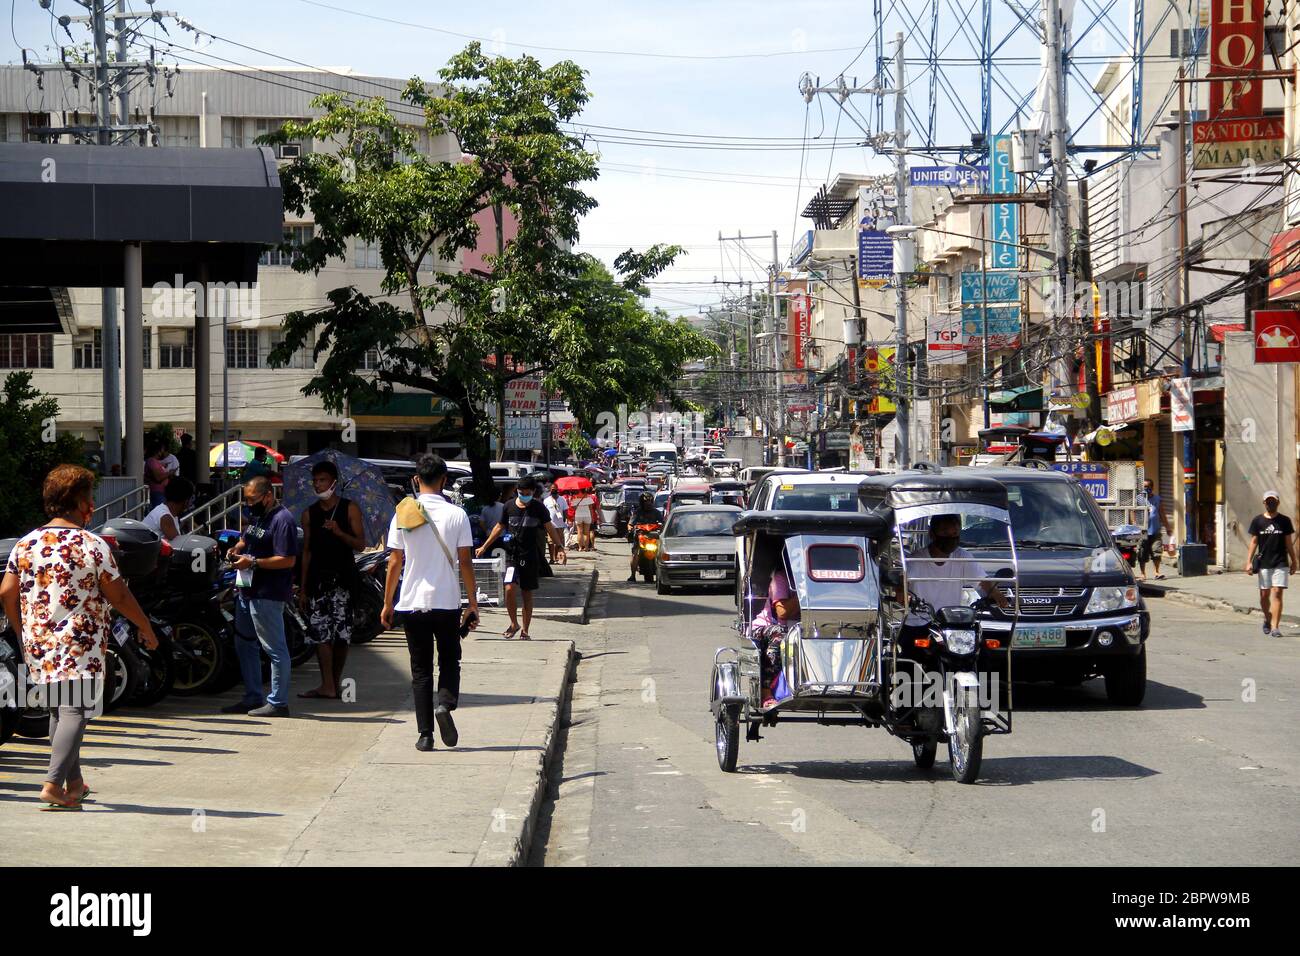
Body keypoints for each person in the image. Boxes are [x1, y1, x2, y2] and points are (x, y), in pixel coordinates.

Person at [0, 464, 159, 810]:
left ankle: (74, 784)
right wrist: (145, 627)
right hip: (79, 642)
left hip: (39, 642)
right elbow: (119, 596)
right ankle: (52, 784)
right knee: (75, 709)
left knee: (60, 709)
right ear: (77, 501)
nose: (92, 506)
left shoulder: (25, 544)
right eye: (89, 498)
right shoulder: (92, 545)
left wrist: (22, 629)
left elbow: (7, 591)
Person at [381, 454, 479, 751]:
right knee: (449, 659)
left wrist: (387, 604)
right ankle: (444, 706)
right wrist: (472, 603)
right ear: (444, 481)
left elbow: (395, 562)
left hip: (412, 602)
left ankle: (425, 735)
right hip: (446, 601)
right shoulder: (457, 515)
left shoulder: (403, 513)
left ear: (415, 480)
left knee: (420, 671)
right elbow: (465, 563)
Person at [222, 475, 299, 717]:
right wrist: (238, 548)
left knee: (274, 648)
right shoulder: (259, 515)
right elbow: (249, 536)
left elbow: (287, 559)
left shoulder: (282, 520)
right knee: (245, 643)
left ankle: (278, 702)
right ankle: (253, 696)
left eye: (253, 499)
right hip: (247, 590)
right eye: (247, 499)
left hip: (267, 593)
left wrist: (252, 562)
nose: (249, 503)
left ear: (268, 496)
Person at [299, 460, 367, 700]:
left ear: (334, 483)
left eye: (323, 480)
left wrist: (339, 532)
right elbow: (306, 551)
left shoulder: (350, 509)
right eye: (315, 481)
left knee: (342, 635)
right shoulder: (309, 514)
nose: (318, 485)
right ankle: (326, 684)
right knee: (320, 634)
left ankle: (334, 683)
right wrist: (303, 587)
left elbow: (361, 544)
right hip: (318, 580)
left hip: (344, 580)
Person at [477, 474, 564, 640]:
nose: (523, 495)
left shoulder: (539, 508)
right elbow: (498, 527)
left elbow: (550, 528)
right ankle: (513, 623)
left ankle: (525, 630)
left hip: (530, 555)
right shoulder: (508, 506)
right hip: (511, 554)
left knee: (526, 593)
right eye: (520, 491)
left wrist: (559, 547)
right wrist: (484, 546)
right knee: (509, 587)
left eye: (527, 492)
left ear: (532, 492)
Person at [899, 514, 1010, 632]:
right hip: (918, 623)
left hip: (950, 623)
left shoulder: (961, 556)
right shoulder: (916, 560)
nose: (950, 539)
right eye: (945, 534)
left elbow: (983, 581)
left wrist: (996, 593)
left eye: (954, 534)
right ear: (932, 534)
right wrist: (904, 595)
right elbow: (902, 584)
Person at [1246, 490, 1297, 639]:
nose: (1270, 503)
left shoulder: (1285, 521)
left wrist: (1294, 561)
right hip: (1264, 563)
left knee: (1278, 592)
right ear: (1264, 503)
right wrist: (1248, 562)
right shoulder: (1258, 521)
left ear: (1278, 503)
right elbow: (1254, 542)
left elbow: (1288, 543)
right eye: (1268, 501)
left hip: (1280, 561)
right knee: (1264, 595)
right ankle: (1267, 618)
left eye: (1273, 501)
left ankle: (1275, 627)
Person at [750, 567, 800, 708]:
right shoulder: (781, 578)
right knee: (780, 634)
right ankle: (766, 692)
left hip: (797, 628)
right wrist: (806, 594)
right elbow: (782, 612)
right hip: (767, 627)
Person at [1137, 479, 1171, 581]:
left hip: (1155, 530)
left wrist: (1168, 527)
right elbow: (1132, 512)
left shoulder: (1157, 499)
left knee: (1156, 551)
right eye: (1144, 487)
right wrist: (1135, 525)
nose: (1146, 489)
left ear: (1152, 487)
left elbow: (1162, 513)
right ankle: (1143, 574)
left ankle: (1157, 572)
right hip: (1143, 531)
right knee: (1142, 552)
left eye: (1148, 486)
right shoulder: (1138, 499)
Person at [624, 490, 663, 583]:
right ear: (642, 503)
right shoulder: (637, 512)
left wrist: (662, 528)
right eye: (646, 502)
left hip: (653, 536)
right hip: (640, 536)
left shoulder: (656, 512)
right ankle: (632, 575)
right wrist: (630, 530)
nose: (648, 504)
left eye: (649, 501)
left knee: (661, 553)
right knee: (635, 553)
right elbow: (630, 524)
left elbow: (662, 523)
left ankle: (661, 573)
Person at [142, 476, 194, 542]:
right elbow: (178, 545)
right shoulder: (165, 517)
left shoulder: (166, 511)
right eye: (191, 498)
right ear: (186, 500)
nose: (191, 503)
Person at [544, 483, 569, 564]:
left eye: (555, 489)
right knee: (550, 542)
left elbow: (565, 510)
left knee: (559, 543)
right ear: (550, 490)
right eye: (552, 489)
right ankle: (552, 559)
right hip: (550, 525)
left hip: (560, 525)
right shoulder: (546, 500)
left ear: (557, 489)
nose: (553, 490)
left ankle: (558, 558)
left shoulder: (562, 499)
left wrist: (565, 519)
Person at [144, 440, 169, 508]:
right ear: (158, 451)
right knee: (160, 512)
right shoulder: (152, 461)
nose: (163, 451)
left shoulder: (154, 461)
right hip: (157, 492)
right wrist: (169, 473)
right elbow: (158, 478)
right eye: (162, 449)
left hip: (160, 492)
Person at [571, 485, 597, 552]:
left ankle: (580, 547)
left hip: (578, 516)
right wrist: (592, 518)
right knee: (586, 532)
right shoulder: (589, 498)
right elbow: (591, 509)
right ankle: (586, 548)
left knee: (579, 532)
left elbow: (573, 508)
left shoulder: (575, 499)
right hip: (587, 516)